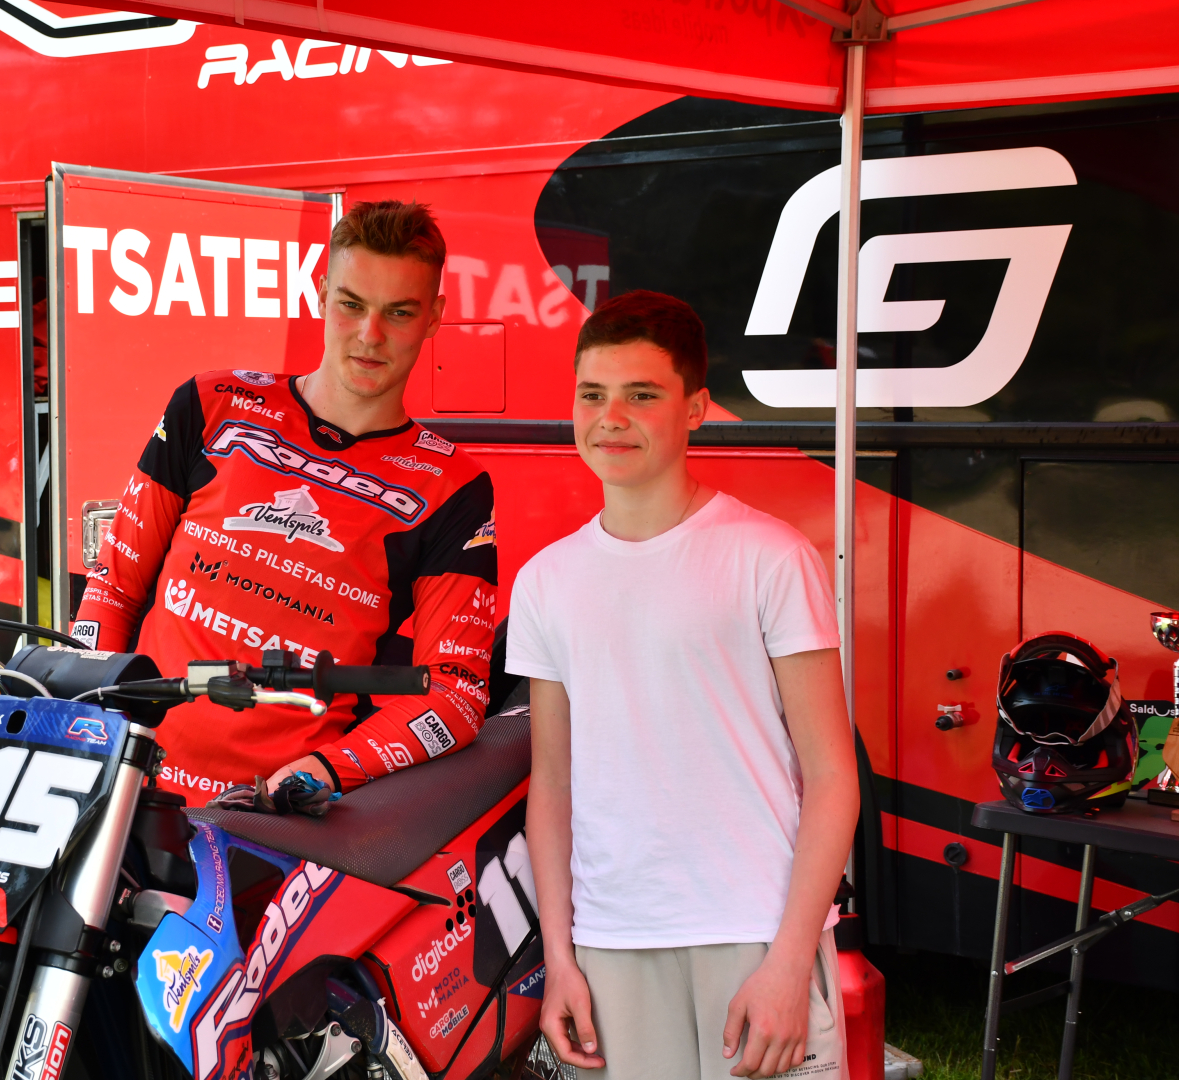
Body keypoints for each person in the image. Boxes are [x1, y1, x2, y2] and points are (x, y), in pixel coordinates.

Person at [509, 290, 859, 1080]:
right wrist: (560, 960)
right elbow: (552, 785)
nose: (610, 418)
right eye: (592, 395)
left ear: (696, 408)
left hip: (756, 935)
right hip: (610, 943)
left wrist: (789, 961)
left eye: (641, 395)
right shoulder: (546, 581)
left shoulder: (770, 557)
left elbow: (834, 775)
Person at [71, 200, 497, 804]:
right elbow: (113, 587)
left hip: (281, 818)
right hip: (132, 787)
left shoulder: (453, 486)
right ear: (320, 294)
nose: (370, 335)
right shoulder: (211, 403)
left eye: (399, 312)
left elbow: (456, 694)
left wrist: (323, 772)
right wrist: (88, 723)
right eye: (351, 304)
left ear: (434, 317)